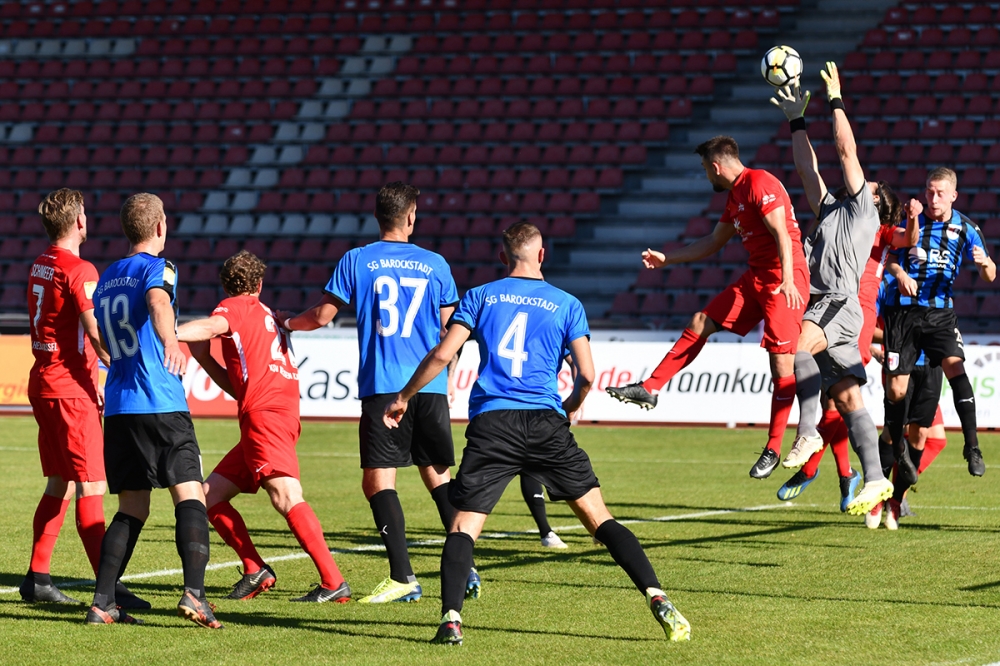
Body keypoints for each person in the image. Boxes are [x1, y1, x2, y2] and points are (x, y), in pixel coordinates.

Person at [385, 222, 690, 645]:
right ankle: (658, 597)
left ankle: (451, 620)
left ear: (502, 256)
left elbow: (442, 353)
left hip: (494, 424)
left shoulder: (481, 296)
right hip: (546, 423)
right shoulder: (567, 303)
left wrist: (404, 395)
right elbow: (586, 375)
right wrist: (569, 407)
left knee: (462, 528)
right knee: (601, 520)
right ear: (542, 256)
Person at [280, 182, 475, 603]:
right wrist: (448, 376)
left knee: (377, 481)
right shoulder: (436, 263)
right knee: (436, 474)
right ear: (410, 217)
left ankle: (403, 576)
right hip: (430, 385)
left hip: (385, 388)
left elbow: (323, 315)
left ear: (378, 217)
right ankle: (466, 565)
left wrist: (289, 324)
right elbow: (449, 332)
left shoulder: (358, 260)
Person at [606, 135, 808, 480]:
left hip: (783, 279)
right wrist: (667, 258)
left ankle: (774, 447)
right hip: (756, 278)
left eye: (704, 169)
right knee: (702, 320)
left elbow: (781, 235)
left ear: (716, 167)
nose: (705, 176)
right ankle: (650, 388)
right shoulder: (736, 196)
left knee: (780, 362)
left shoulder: (760, 182)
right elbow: (714, 242)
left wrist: (788, 280)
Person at [176, 250, 351, 602]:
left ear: (227, 287)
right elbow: (238, 386)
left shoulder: (234, 308)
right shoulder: (269, 315)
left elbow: (211, 327)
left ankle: (333, 582)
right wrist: (203, 358)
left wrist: (168, 333)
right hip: (275, 413)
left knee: (286, 496)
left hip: (265, 417)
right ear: (260, 284)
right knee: (209, 498)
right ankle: (255, 569)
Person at [767, 62, 902, 515]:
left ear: (879, 202)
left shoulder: (865, 207)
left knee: (797, 346)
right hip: (839, 308)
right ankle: (877, 479)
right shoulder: (831, 208)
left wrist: (836, 99)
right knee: (847, 398)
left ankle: (806, 431)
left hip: (836, 303)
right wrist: (796, 122)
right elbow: (808, 170)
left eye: (874, 184)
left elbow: (845, 152)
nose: (868, 180)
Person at [86, 193, 220, 628]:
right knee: (190, 493)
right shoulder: (157, 269)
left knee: (132, 508)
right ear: (160, 226)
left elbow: (97, 335)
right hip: (159, 401)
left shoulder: (107, 278)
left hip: (121, 407)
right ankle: (195, 595)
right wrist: (171, 341)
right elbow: (160, 303)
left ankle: (102, 602)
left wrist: (116, 359)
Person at [21, 189, 146, 610]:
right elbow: (95, 329)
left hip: (43, 382)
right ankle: (107, 591)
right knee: (91, 484)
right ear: (79, 222)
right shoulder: (80, 269)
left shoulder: (40, 262)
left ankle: (38, 577)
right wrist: (120, 363)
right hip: (71, 389)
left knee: (60, 481)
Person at [881, 167, 995, 480]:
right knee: (896, 389)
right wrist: (900, 274)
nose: (933, 198)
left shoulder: (967, 228)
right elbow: (889, 257)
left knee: (956, 366)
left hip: (940, 314)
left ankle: (972, 447)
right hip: (902, 313)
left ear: (953, 196)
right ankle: (896, 452)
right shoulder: (911, 221)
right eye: (930, 192)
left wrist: (984, 264)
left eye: (940, 193)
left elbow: (991, 273)